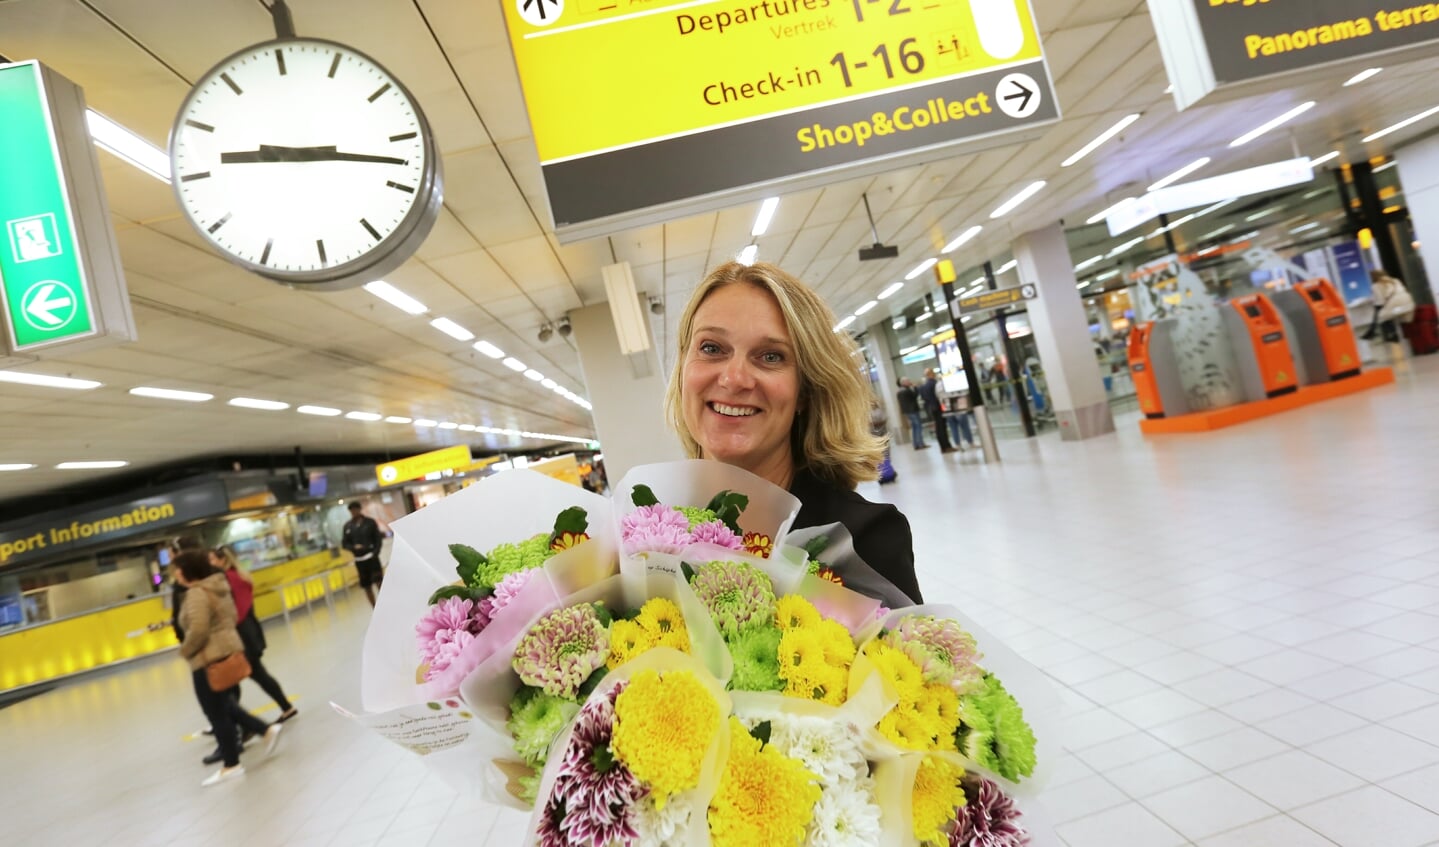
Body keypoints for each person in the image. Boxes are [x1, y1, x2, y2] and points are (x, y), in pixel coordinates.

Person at [664, 261, 923, 604]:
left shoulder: (863, 542)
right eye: (711, 348)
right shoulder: (644, 537)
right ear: (683, 368)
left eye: (770, 356)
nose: (734, 378)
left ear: (805, 390)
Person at [173, 550, 282, 786]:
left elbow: (199, 629)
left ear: (187, 570)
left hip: (207, 658)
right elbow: (231, 616)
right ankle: (264, 729)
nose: (175, 574)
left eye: (177, 569)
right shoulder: (217, 586)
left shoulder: (195, 594)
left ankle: (231, 764)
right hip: (226, 651)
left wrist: (186, 650)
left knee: (215, 712)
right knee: (224, 705)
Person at [212, 546, 297, 727]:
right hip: (247, 631)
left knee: (244, 678)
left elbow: (239, 611)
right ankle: (281, 708)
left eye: (212, 560)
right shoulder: (235, 576)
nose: (209, 564)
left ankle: (244, 723)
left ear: (222, 560)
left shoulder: (231, 579)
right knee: (253, 674)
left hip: (243, 634)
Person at [342, 501, 385, 606]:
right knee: (367, 586)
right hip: (360, 560)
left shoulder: (370, 522)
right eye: (351, 510)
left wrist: (375, 553)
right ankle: (374, 608)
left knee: (379, 583)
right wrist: (353, 548)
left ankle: (385, 605)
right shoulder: (348, 526)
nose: (353, 512)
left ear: (359, 509)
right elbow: (344, 543)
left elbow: (378, 539)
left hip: (372, 558)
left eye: (355, 509)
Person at [1365, 269, 1415, 344]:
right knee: (1395, 315)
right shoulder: (1396, 280)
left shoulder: (1375, 286)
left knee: (1381, 316)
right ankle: (1404, 334)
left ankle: (1392, 335)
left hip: (1395, 305)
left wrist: (1374, 302)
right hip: (1408, 303)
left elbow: (1380, 302)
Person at [919, 368, 955, 453]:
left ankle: (943, 447)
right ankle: (946, 446)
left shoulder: (923, 386)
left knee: (938, 428)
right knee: (942, 427)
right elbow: (939, 395)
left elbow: (924, 398)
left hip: (931, 408)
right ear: (931, 374)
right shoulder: (935, 383)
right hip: (938, 407)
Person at [895, 377, 928, 449]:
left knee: (914, 427)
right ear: (903, 383)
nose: (909, 382)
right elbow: (915, 395)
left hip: (907, 412)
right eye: (908, 381)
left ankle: (915, 444)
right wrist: (915, 387)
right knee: (918, 427)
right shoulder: (907, 390)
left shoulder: (899, 391)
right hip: (913, 411)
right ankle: (920, 444)